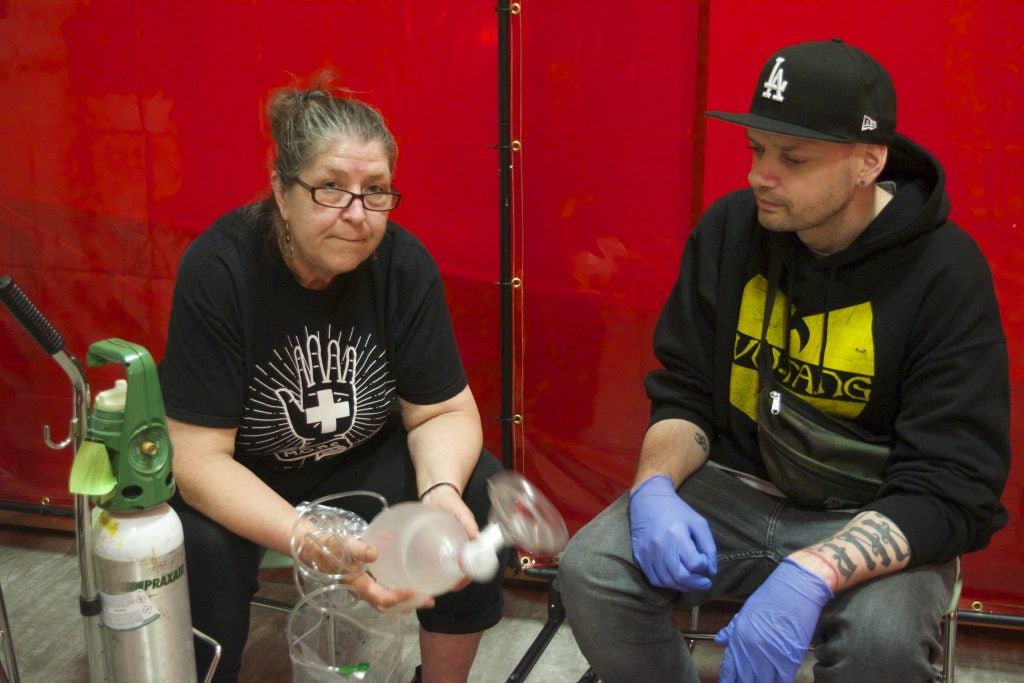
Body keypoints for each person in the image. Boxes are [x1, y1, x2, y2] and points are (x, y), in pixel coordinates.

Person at [556, 38, 1010, 682]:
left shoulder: (946, 273)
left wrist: (813, 571)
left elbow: (954, 484)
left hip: (872, 506)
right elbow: (683, 392)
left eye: (792, 158)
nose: (757, 176)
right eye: (757, 150)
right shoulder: (729, 230)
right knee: (592, 570)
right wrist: (653, 487)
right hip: (735, 486)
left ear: (868, 163)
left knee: (881, 642)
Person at [158, 73, 506, 682]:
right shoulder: (221, 269)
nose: (356, 214)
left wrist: (439, 492)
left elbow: (442, 412)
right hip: (246, 476)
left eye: (376, 191)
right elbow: (196, 457)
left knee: (475, 493)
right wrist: (304, 535)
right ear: (280, 190)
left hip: (355, 464)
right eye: (330, 189)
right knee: (199, 550)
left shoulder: (402, 264)